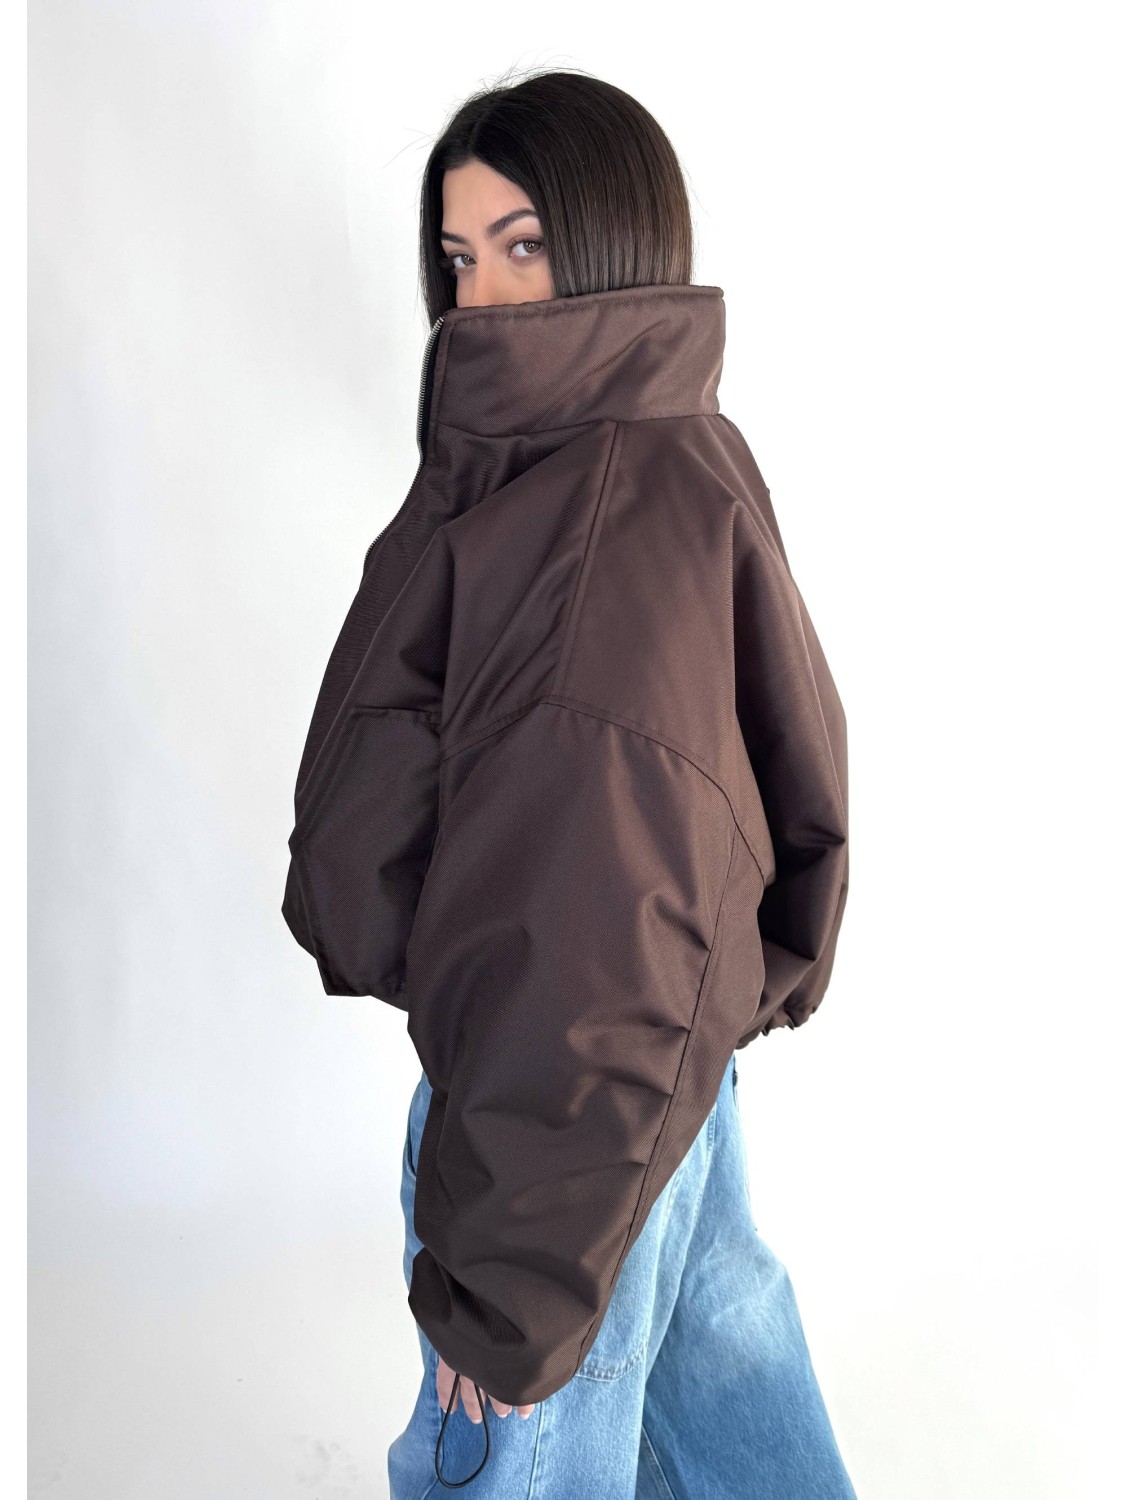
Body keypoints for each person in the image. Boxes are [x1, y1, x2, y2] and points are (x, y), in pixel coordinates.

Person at [281, 67, 856, 1497]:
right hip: (652, 1079)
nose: (479, 299)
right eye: (458, 257)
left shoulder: (587, 524)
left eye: (524, 246)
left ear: (610, 243)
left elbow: (593, 929)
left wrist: (509, 1285)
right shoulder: (641, 452)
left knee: (518, 1451)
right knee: (720, 1384)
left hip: (555, 1106)